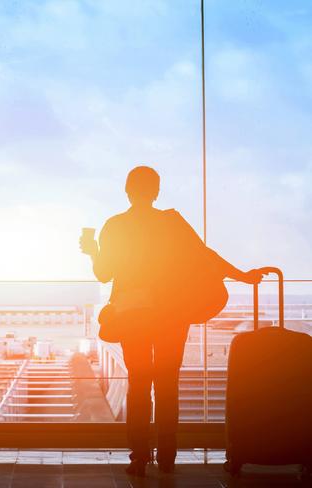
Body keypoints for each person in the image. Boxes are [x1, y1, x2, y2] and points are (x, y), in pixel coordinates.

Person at [79, 166, 263, 476]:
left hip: (133, 315)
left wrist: (93, 250)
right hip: (170, 315)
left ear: (127, 190)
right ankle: (167, 456)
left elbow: (103, 274)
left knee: (138, 386)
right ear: (156, 192)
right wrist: (242, 276)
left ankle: (139, 457)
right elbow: (206, 256)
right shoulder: (172, 223)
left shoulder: (115, 226)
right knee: (167, 386)